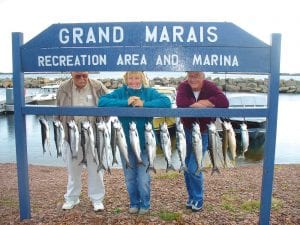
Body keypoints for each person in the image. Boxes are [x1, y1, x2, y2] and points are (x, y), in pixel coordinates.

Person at [98, 71, 171, 215]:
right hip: (125, 144)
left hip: (145, 145)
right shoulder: (120, 92)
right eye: (130, 78)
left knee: (143, 179)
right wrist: (126, 102)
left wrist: (144, 104)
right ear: (126, 79)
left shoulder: (149, 92)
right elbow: (102, 102)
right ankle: (134, 203)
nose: (134, 81)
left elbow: (166, 102)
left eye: (137, 78)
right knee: (130, 178)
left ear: (142, 78)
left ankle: (145, 204)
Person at [176, 71, 229, 212]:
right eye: (190, 76)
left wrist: (206, 102)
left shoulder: (210, 86)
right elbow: (180, 102)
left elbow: (224, 102)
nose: (192, 79)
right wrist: (200, 105)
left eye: (196, 76)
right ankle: (191, 197)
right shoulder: (183, 86)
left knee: (194, 166)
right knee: (187, 165)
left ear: (202, 77)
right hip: (187, 130)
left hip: (204, 132)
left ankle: (199, 198)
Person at [56, 71, 108, 212]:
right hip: (71, 134)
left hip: (94, 135)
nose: (82, 79)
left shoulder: (98, 86)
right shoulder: (63, 88)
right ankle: (72, 198)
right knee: (73, 170)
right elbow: (57, 112)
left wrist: (102, 124)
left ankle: (97, 199)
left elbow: (108, 106)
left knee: (96, 169)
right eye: (78, 76)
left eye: (85, 75)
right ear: (71, 74)